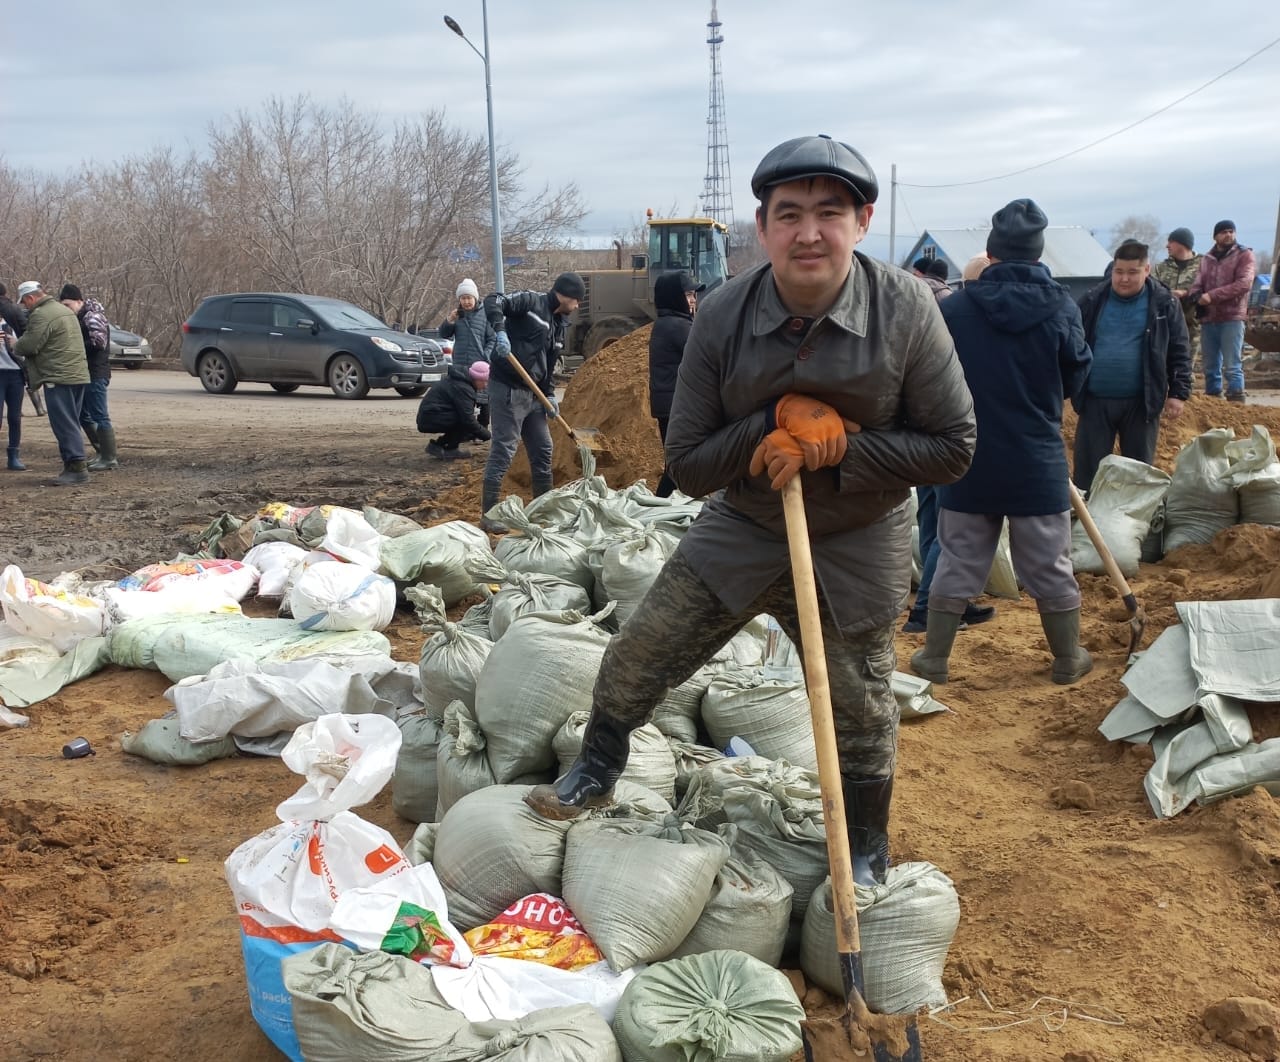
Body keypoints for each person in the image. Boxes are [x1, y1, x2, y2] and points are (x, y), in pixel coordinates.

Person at [524, 134, 977, 890]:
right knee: (641, 652)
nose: (809, 232)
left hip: (860, 534)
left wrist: (837, 451)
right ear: (761, 228)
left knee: (860, 703)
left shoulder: (907, 312)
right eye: (789, 214)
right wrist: (768, 426)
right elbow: (692, 465)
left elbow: (953, 448)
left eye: (829, 213)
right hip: (745, 524)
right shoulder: (725, 315)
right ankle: (599, 763)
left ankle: (865, 841)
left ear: (862, 222)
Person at [910, 199, 1093, 687]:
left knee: (957, 557)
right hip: (1036, 457)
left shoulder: (956, 309)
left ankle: (935, 659)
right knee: (1050, 563)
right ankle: (1067, 659)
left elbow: (930, 377)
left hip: (969, 456)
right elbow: (1077, 373)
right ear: (1037, 255)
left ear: (989, 252)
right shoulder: (1061, 307)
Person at [1072, 240, 1191, 490]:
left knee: (1137, 473)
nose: (1124, 279)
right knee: (1088, 472)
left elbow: (1179, 349)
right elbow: (1072, 342)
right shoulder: (1093, 300)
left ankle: (1132, 525)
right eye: (1119, 271)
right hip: (1095, 400)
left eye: (1132, 272)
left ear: (1146, 270)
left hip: (1142, 402)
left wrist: (1178, 393)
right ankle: (1084, 524)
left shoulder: (1164, 303)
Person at [479, 272, 584, 532]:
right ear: (566, 295)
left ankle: (542, 508)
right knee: (504, 448)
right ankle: (489, 514)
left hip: (534, 393)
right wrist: (500, 332)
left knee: (543, 448)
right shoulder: (530, 303)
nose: (578, 305)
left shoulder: (560, 324)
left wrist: (548, 394)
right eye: (577, 300)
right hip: (508, 388)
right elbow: (493, 301)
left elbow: (549, 363)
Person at [13, 281, 91, 485]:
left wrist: (15, 344)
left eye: (24, 302)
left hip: (58, 376)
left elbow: (29, 345)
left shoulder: (41, 314)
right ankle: (73, 465)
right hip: (77, 374)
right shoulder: (63, 311)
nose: (24, 306)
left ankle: (76, 467)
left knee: (64, 423)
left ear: (30, 298)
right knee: (72, 420)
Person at [1187, 220, 1256, 402]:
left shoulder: (1244, 255)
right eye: (1224, 232)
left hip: (1232, 317)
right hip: (1209, 318)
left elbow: (1244, 284)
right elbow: (1197, 282)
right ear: (1215, 236)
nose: (1228, 235)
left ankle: (1236, 400)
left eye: (1231, 231)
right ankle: (1213, 400)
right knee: (1210, 366)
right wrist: (1195, 295)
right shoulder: (1207, 259)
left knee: (1232, 365)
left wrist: (1211, 296)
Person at [647, 270, 702, 498]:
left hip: (669, 405)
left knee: (679, 464)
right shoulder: (678, 327)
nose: (693, 300)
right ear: (674, 297)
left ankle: (664, 505)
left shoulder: (667, 323)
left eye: (693, 295)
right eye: (688, 294)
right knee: (680, 464)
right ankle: (658, 506)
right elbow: (706, 358)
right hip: (676, 406)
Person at [59, 284, 118, 470]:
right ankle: (102, 452)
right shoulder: (80, 316)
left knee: (100, 415)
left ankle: (109, 457)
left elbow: (99, 343)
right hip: (86, 372)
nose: (66, 309)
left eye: (68, 305)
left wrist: (73, 347)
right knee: (84, 415)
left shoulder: (92, 316)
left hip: (96, 372)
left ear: (79, 301)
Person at [439, 278, 497, 427]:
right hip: (460, 364)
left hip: (480, 364)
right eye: (463, 298)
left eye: (469, 298)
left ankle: (482, 428)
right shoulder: (457, 315)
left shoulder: (485, 314)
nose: (466, 302)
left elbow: (492, 339)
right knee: (463, 398)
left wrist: (486, 356)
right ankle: (465, 429)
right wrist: (450, 320)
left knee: (483, 398)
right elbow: (444, 334)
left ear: (475, 298)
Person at [416, 360, 492, 458]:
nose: (485, 385)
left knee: (467, 422)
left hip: (431, 416)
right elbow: (467, 419)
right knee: (465, 422)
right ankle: (450, 449)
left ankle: (438, 446)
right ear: (476, 378)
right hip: (431, 418)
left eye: (487, 381)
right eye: (484, 381)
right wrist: (486, 434)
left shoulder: (460, 381)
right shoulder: (463, 388)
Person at [1153, 228, 1202, 365]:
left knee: (1185, 367)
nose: (1167, 246)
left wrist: (1185, 293)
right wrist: (1168, 295)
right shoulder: (1161, 268)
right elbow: (1153, 291)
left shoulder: (1204, 265)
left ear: (1182, 244)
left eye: (1171, 242)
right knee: (1163, 365)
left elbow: (1210, 289)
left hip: (1193, 326)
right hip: (1166, 325)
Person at [0, 320, 24, 469]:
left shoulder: (11, 325)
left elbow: (25, 349)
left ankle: (13, 456)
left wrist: (16, 344)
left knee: (14, 417)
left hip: (16, 374)